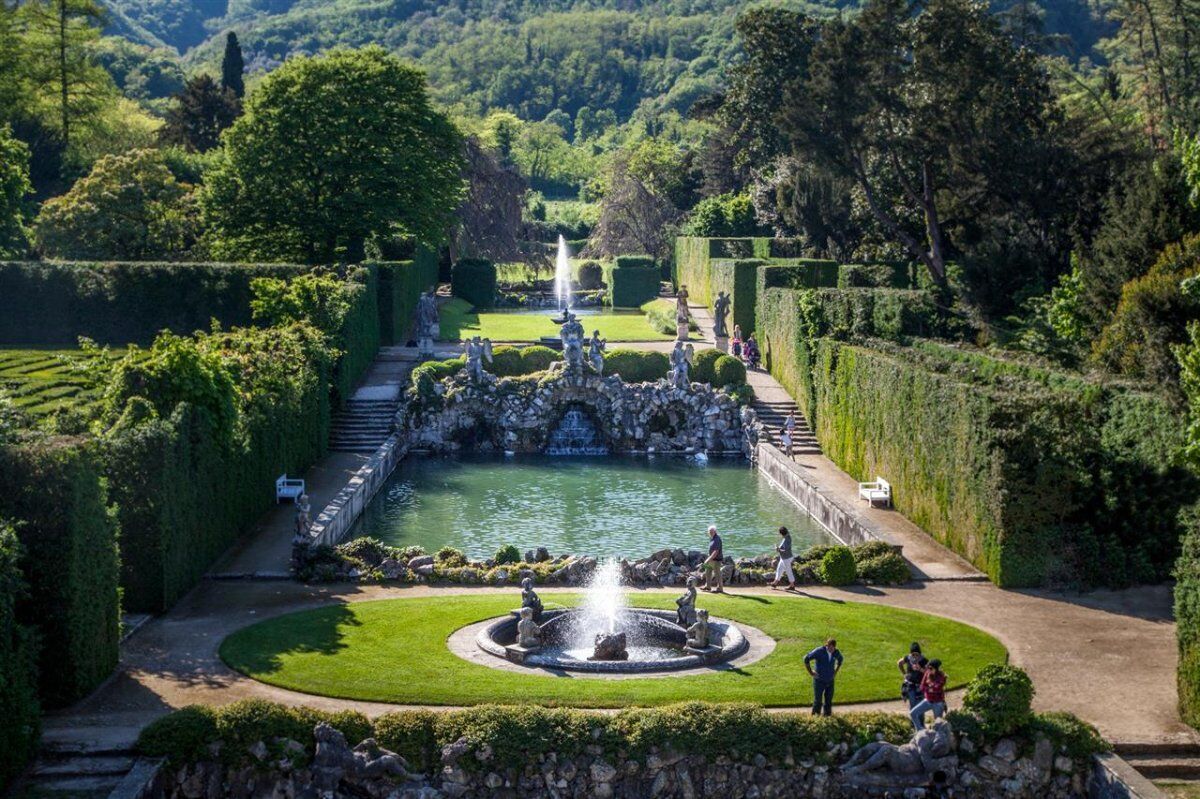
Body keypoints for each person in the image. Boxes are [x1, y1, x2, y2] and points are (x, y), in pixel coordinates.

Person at [804, 638, 844, 716]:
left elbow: (840, 660)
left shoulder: (836, 652)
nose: (831, 650)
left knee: (828, 701)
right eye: (830, 648)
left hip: (830, 681)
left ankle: (827, 718)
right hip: (819, 681)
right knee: (818, 701)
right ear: (827, 645)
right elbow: (806, 659)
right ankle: (815, 718)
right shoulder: (819, 651)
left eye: (833, 648)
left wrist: (835, 672)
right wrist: (811, 672)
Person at [910, 658, 947, 729]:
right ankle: (920, 731)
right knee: (913, 713)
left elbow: (937, 688)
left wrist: (929, 687)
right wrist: (930, 687)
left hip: (938, 703)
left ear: (936, 669)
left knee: (938, 725)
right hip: (928, 701)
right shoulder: (927, 673)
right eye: (928, 667)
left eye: (930, 668)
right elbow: (922, 687)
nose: (928, 669)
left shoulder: (942, 676)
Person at [897, 642, 928, 710]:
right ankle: (913, 720)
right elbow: (899, 663)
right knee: (913, 704)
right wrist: (904, 674)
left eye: (917, 654)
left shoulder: (924, 660)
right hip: (910, 684)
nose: (915, 656)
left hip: (920, 685)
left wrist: (920, 669)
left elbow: (928, 672)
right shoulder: (908, 658)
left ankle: (921, 720)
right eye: (913, 654)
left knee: (920, 705)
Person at [769, 526, 795, 590]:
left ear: (782, 533)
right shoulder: (786, 537)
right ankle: (775, 583)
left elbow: (785, 550)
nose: (780, 535)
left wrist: (778, 549)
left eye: (780, 533)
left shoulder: (786, 539)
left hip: (787, 558)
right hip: (784, 558)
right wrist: (778, 548)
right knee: (779, 569)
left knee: (788, 571)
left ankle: (792, 585)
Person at [702, 525, 724, 593]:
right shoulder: (712, 538)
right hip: (711, 559)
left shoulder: (717, 539)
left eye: (712, 531)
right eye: (709, 532)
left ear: (715, 531)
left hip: (716, 560)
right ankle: (708, 586)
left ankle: (720, 588)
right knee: (708, 572)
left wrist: (708, 560)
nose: (710, 533)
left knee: (717, 574)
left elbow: (716, 552)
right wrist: (709, 559)